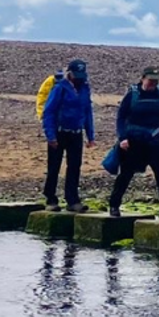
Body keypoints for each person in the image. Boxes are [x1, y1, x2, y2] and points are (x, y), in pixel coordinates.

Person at [110, 66, 159, 218]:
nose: (153, 84)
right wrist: (122, 138)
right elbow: (120, 118)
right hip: (134, 142)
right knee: (126, 174)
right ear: (142, 78)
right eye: (151, 80)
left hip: (156, 142)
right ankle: (114, 205)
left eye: (155, 81)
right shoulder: (132, 95)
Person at [40, 57, 94, 210]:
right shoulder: (60, 88)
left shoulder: (84, 88)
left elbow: (87, 112)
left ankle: (72, 200)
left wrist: (90, 135)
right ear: (69, 73)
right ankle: (50, 198)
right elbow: (49, 112)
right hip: (59, 132)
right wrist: (50, 135)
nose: (79, 79)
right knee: (54, 166)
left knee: (74, 166)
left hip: (76, 133)